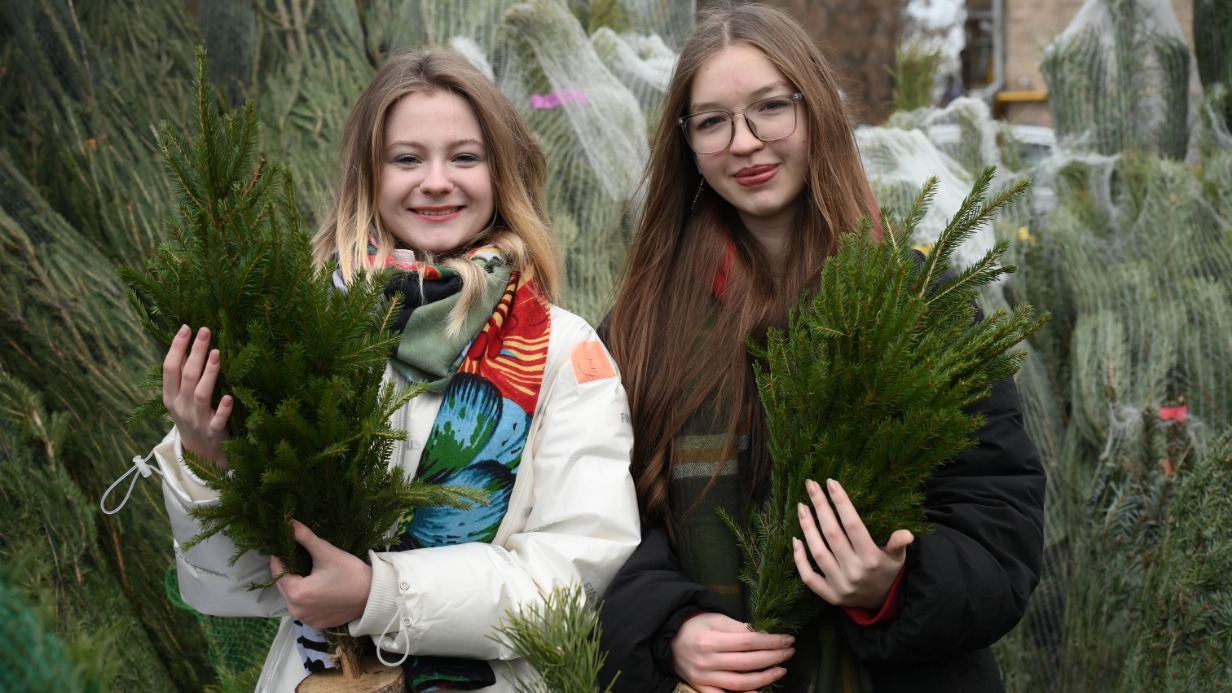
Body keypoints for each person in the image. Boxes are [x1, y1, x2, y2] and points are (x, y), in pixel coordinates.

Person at [152, 49, 640, 692]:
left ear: (501, 175)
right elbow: (240, 587)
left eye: (465, 157)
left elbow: (573, 578)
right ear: (368, 175)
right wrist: (206, 458)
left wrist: (381, 595)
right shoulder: (299, 330)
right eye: (407, 158)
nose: (436, 181)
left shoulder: (560, 351)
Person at [596, 5, 1045, 693]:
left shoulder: (921, 303)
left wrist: (892, 582)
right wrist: (667, 630)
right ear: (686, 143)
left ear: (817, 113)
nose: (744, 142)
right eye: (712, 121)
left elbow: (1000, 529)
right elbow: (595, 526)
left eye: (770, 108)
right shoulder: (639, 327)